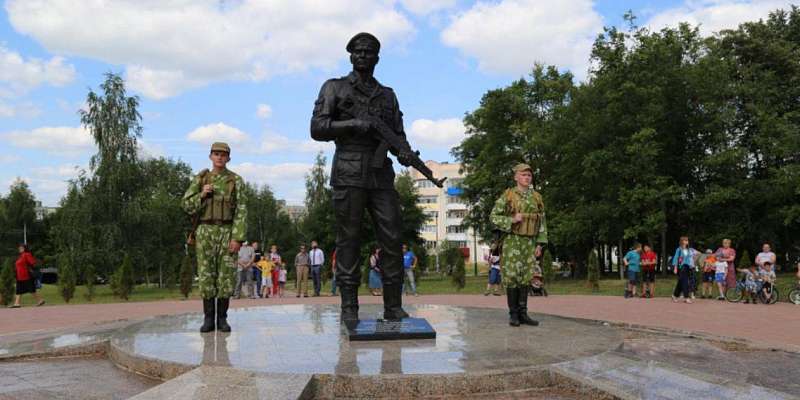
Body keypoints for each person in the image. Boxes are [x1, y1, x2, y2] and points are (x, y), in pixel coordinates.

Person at [311, 32, 424, 322]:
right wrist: (352, 124)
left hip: (380, 173)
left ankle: (393, 306)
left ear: (377, 58)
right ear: (351, 56)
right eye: (358, 51)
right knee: (348, 239)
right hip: (348, 169)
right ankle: (349, 307)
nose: (362, 56)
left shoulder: (387, 95)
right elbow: (317, 128)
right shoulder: (334, 87)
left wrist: (405, 153)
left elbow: (398, 135)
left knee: (392, 236)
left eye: (368, 52)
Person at [182, 141, 247, 333]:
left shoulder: (236, 181)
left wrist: (237, 238)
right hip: (205, 231)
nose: (219, 157)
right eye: (216, 154)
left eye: (223, 154)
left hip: (227, 232)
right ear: (210, 156)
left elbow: (242, 210)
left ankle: (223, 318)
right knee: (206, 275)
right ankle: (208, 318)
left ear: (228, 158)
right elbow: (186, 205)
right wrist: (201, 194)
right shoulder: (201, 179)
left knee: (226, 275)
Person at [490, 163, 548, 327]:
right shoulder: (508, 195)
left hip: (530, 242)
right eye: (523, 175)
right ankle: (513, 314)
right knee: (512, 277)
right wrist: (511, 219)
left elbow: (542, 221)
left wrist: (540, 244)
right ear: (516, 177)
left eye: (529, 175)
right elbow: (493, 217)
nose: (527, 178)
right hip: (512, 241)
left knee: (526, 277)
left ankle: (523, 313)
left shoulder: (536, 197)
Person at [10, 244, 45, 308]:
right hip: (20, 276)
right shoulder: (20, 256)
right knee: (18, 290)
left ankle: (40, 300)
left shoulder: (27, 254)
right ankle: (17, 303)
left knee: (31, 289)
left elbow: (33, 263)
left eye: (21, 248)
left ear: (25, 248)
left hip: (26, 276)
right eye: (19, 248)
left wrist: (34, 270)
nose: (20, 249)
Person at [671, 236, 698, 304]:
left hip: (689, 267)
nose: (687, 241)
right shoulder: (679, 249)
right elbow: (676, 258)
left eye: (687, 240)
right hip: (682, 267)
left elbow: (692, 257)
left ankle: (674, 295)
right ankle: (686, 297)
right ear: (682, 241)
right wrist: (675, 268)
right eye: (685, 240)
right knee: (685, 282)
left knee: (681, 282)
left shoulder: (689, 250)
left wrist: (693, 263)